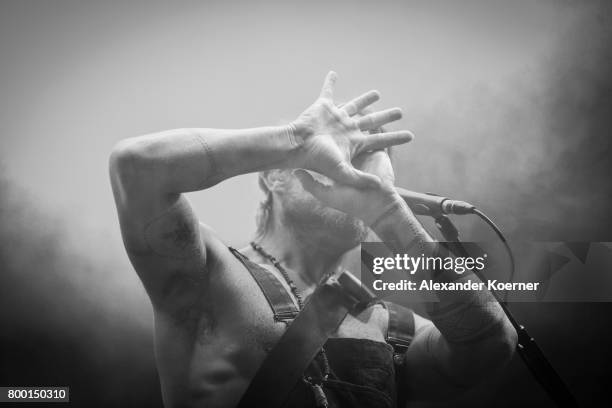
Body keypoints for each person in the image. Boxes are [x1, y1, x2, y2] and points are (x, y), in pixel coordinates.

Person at [109, 72, 517, 408]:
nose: (350, 173)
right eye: (336, 158)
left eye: (365, 165)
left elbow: (493, 342)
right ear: (275, 177)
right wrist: (296, 140)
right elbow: (136, 167)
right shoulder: (209, 275)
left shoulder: (403, 332)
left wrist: (387, 210)